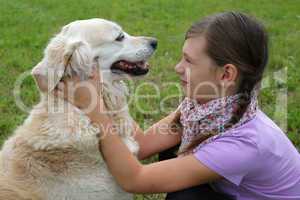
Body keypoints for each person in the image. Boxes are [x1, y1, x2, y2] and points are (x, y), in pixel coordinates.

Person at [55, 12, 300, 200]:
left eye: (189, 61)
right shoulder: (209, 108)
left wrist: (95, 109)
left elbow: (134, 179)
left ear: (226, 75)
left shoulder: (244, 144)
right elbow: (140, 145)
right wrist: (108, 94)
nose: (177, 67)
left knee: (185, 197)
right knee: (172, 154)